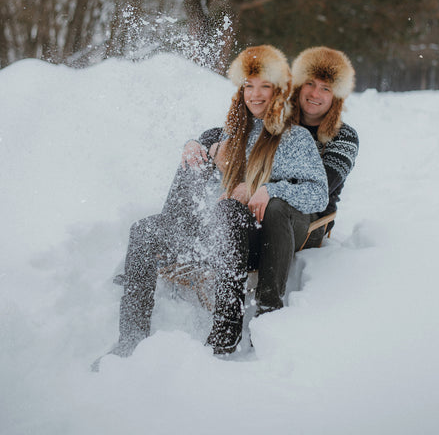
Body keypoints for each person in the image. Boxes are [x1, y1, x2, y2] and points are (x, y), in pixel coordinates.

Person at [93, 45, 328, 368]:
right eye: (248, 86)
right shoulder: (231, 132)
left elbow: (319, 195)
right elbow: (211, 149)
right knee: (144, 229)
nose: (255, 95)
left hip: (258, 240)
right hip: (216, 235)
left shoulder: (295, 138)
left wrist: (268, 189)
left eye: (264, 86)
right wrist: (197, 147)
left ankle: (226, 327)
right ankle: (130, 338)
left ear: (278, 91)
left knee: (229, 211)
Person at [189, 46, 359, 317]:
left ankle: (269, 309)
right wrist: (203, 143)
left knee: (277, 205)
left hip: (309, 217)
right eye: (310, 84)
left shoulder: (344, 137)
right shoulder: (283, 114)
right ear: (298, 86)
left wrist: (258, 185)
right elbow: (233, 130)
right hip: (259, 205)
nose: (315, 94)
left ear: (336, 96)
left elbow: (323, 184)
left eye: (326, 89)